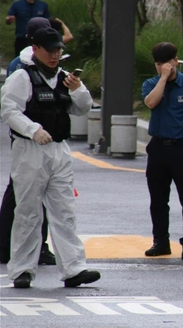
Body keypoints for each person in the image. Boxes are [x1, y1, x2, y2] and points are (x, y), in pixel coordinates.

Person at [0, 27, 100, 288]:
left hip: (59, 150)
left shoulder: (66, 77)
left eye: (58, 50)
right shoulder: (22, 77)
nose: (55, 55)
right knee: (28, 212)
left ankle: (74, 268)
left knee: (64, 210)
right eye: (50, 50)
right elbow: (9, 111)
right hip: (30, 151)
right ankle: (22, 269)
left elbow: (83, 108)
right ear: (35, 50)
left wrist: (78, 90)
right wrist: (33, 130)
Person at [141, 42, 183, 260]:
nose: (164, 67)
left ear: (176, 61)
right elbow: (151, 103)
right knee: (158, 199)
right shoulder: (151, 84)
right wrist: (162, 78)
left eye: (168, 62)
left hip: (182, 149)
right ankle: (160, 242)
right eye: (159, 63)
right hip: (158, 147)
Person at [0, 17, 55, 266]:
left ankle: (7, 245)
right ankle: (34, 247)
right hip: (29, 139)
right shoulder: (22, 67)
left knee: (20, 192)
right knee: (30, 195)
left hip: (31, 137)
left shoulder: (23, 63)